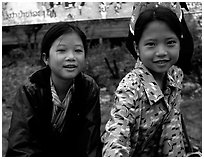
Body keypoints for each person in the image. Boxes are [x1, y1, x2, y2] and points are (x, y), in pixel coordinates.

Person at [102, 4, 197, 157]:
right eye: (151, 44)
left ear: (180, 42)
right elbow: (115, 141)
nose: (161, 52)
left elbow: (173, 133)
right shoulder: (130, 88)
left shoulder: (175, 75)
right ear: (137, 48)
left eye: (170, 42)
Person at [6, 22, 102, 157]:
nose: (71, 57)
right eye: (62, 50)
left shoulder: (89, 88)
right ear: (46, 58)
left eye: (78, 50)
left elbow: (90, 143)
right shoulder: (31, 90)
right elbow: (20, 145)